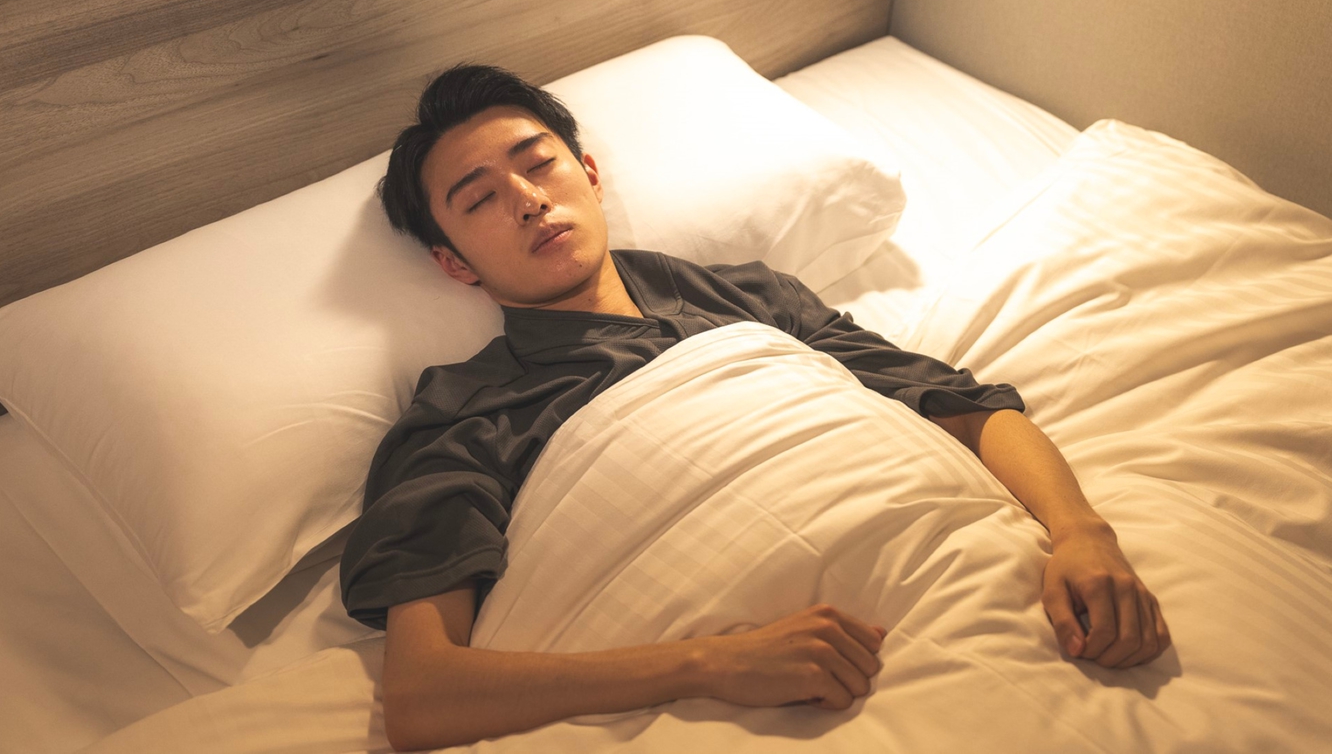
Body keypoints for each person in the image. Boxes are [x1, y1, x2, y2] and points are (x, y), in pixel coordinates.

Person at [339, 64, 1171, 751]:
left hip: (991, 596)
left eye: (539, 163)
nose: (527, 198)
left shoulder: (745, 297)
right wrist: (708, 661)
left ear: (588, 174)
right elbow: (423, 695)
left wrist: (1079, 530)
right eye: (479, 199)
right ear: (454, 263)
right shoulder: (461, 415)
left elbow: (961, 406)